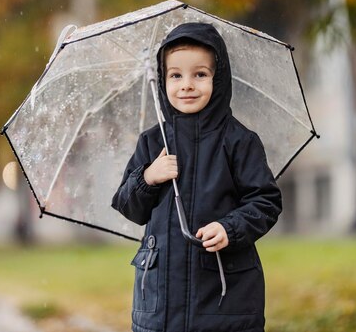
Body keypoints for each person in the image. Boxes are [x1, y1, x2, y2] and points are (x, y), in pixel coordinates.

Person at [112, 22, 282, 332]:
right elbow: (128, 205)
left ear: (219, 79)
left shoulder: (239, 141)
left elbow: (266, 201)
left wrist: (230, 228)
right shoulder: (153, 143)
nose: (187, 85)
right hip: (160, 304)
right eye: (175, 75)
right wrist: (148, 177)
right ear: (162, 81)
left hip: (223, 301)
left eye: (200, 74)